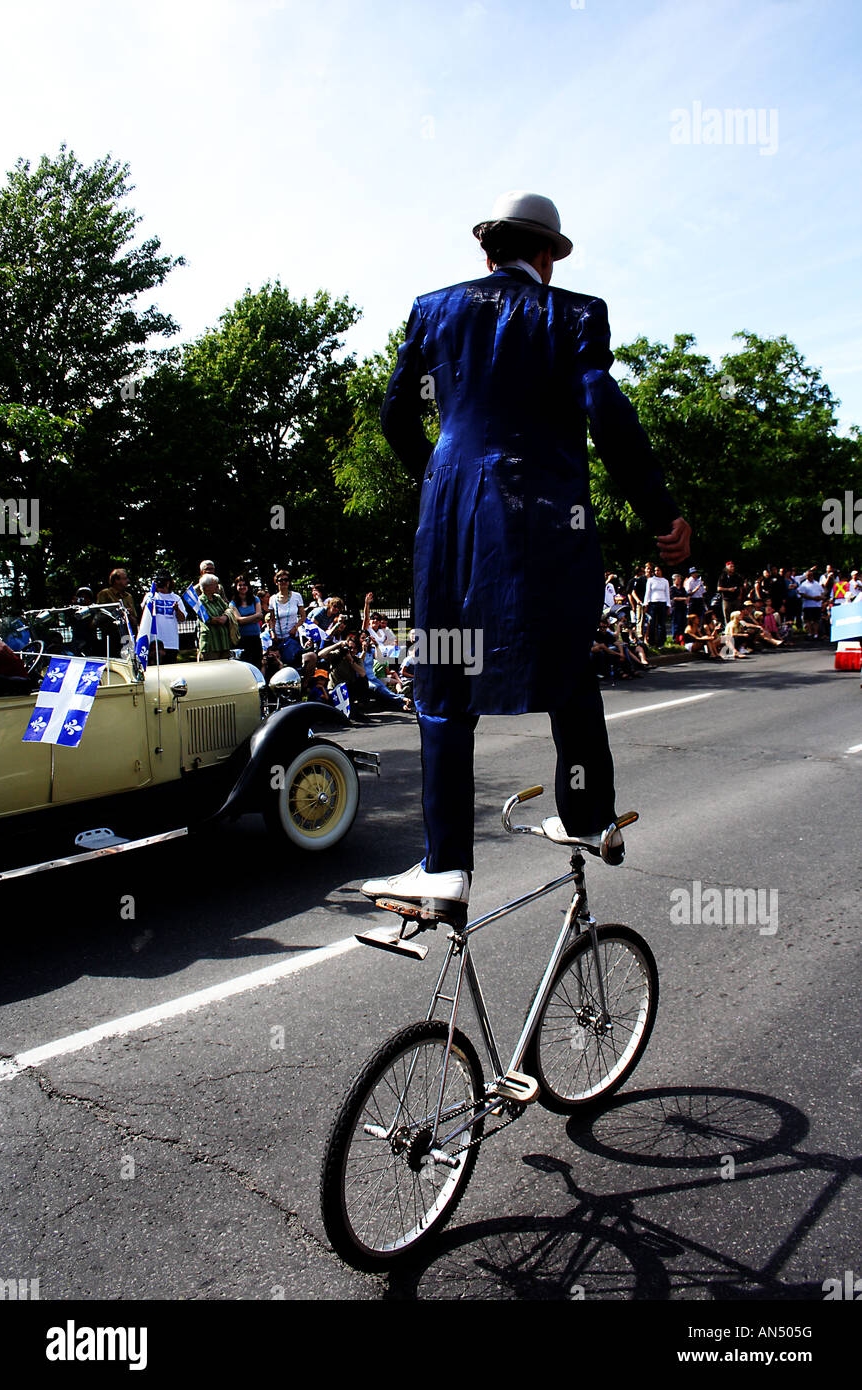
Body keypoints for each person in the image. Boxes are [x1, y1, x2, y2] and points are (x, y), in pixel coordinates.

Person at [362, 189, 690, 912]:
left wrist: (440, 474)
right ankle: (590, 816)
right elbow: (605, 407)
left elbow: (393, 414)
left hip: (450, 516)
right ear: (547, 256)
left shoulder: (433, 308)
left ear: (488, 251)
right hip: (547, 512)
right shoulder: (574, 313)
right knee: (570, 664)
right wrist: (659, 510)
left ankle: (445, 868)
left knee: (444, 686)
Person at [140, 573, 187, 664]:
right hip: (154, 641)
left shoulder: (176, 598)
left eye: (162, 582)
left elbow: (182, 619)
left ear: (168, 583)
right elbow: (144, 611)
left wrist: (177, 610)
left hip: (171, 642)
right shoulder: (151, 596)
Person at [266, 568, 305, 667]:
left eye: (286, 580)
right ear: (276, 582)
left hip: (292, 637)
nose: (283, 582)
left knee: (292, 662)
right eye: (280, 580)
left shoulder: (296, 596)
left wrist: (296, 627)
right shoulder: (272, 599)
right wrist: (272, 631)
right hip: (277, 639)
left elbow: (303, 616)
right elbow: (271, 619)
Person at [229, 576, 263, 667]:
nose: (242, 587)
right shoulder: (233, 603)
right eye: (240, 585)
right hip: (242, 638)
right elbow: (239, 621)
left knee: (257, 663)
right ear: (236, 587)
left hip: (255, 637)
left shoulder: (255, 599)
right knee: (245, 664)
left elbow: (260, 616)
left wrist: (245, 618)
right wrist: (255, 616)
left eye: (245, 585)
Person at [195, 574, 231, 660]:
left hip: (224, 642)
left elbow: (229, 610)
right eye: (215, 584)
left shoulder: (218, 598)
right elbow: (210, 619)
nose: (217, 586)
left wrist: (226, 616)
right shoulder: (199, 601)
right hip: (211, 644)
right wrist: (223, 618)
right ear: (206, 587)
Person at [96, 568, 138, 634]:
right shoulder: (105, 593)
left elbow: (134, 618)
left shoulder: (128, 596)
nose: (128, 581)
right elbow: (101, 615)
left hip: (128, 633)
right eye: (124, 578)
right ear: (116, 580)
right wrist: (119, 611)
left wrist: (130, 614)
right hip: (111, 633)